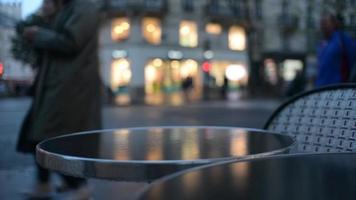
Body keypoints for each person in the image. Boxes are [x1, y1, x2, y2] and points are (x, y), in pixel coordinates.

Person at [16, 0, 102, 198]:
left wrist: (38, 33)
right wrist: (47, 20)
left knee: (50, 137)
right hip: (55, 84)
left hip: (68, 86)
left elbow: (71, 42)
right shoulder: (69, 8)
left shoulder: (84, 7)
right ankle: (44, 183)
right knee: (41, 135)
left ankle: (79, 185)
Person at [315, 13, 355, 87]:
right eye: (321, 23)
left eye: (325, 22)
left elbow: (353, 59)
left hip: (337, 87)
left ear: (334, 24)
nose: (322, 25)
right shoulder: (321, 43)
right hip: (321, 88)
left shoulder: (342, 39)